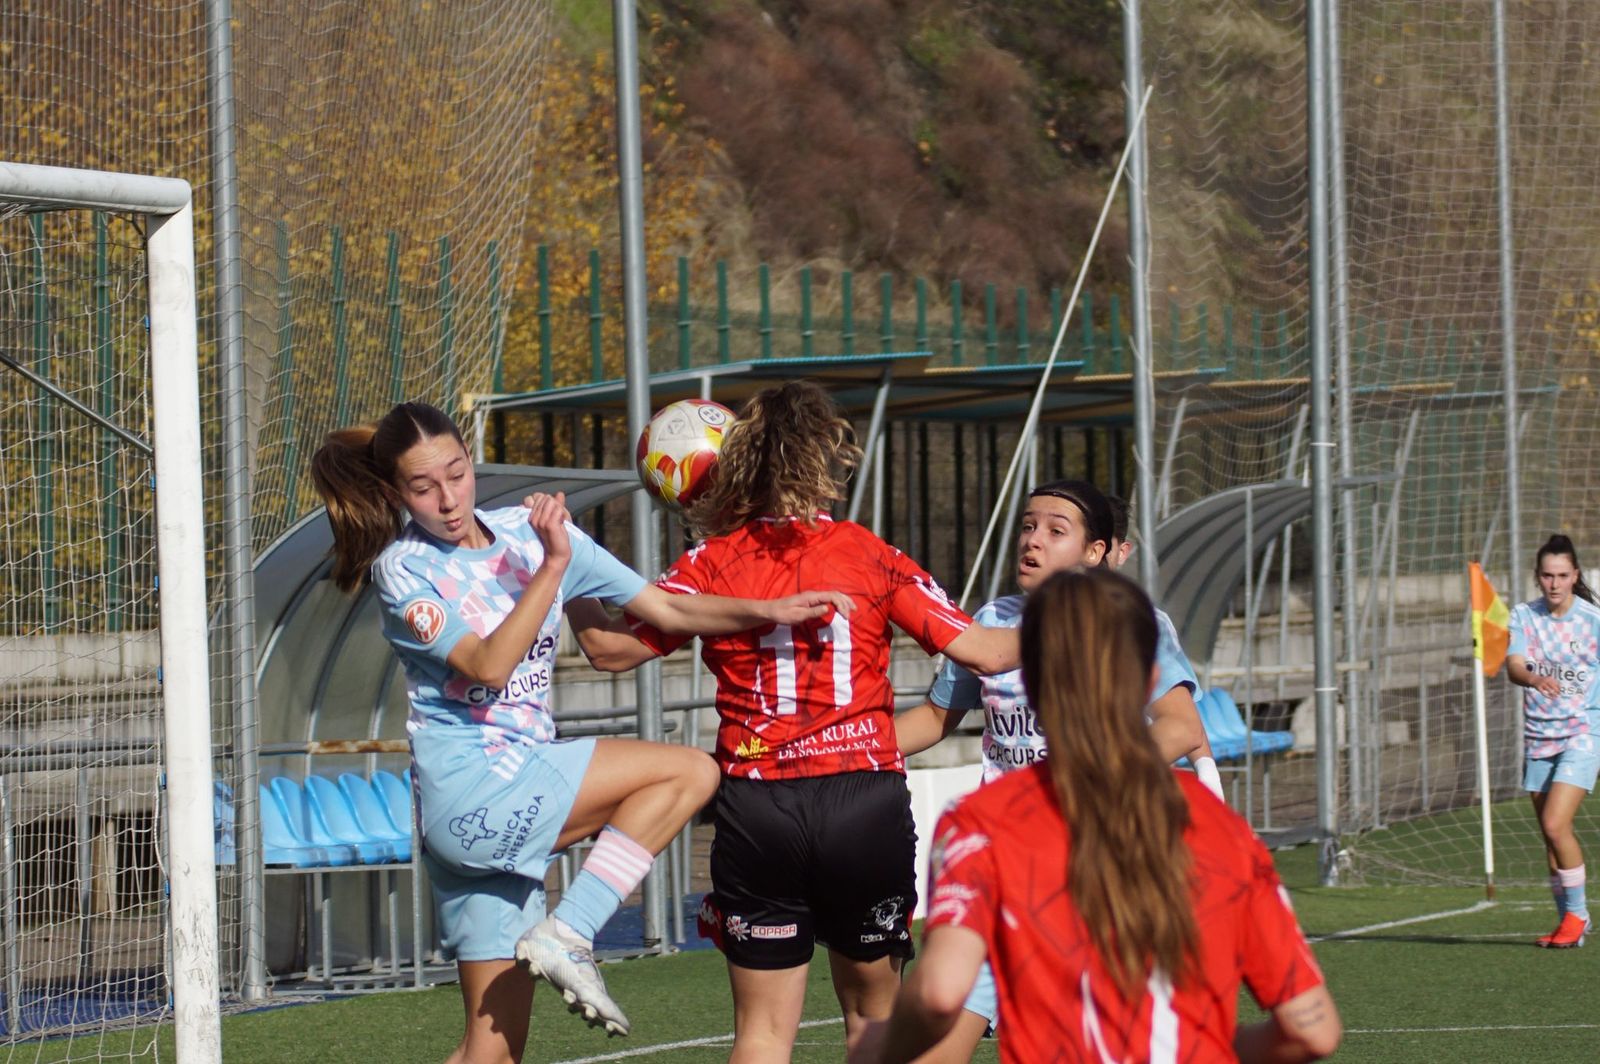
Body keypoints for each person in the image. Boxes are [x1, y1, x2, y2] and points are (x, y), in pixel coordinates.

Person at [310, 401, 851, 1064]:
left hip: (506, 797)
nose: (448, 500)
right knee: (690, 771)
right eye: (423, 489)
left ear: (471, 463)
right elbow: (488, 664)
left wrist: (768, 609)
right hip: (473, 792)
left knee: (493, 1049)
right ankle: (573, 930)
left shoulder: (528, 531)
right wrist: (553, 567)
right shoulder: (405, 570)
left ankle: (564, 933)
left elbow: (666, 608)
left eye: (456, 474)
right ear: (397, 493)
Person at [563, 380, 1019, 1064]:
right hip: (861, 799)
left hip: (760, 805)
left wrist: (567, 565)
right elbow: (985, 652)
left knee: (763, 1034)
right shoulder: (870, 552)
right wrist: (1092, 621)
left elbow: (608, 650)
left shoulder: (707, 565)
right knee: (872, 1019)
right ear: (824, 459)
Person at [850, 568, 1341, 1064]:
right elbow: (1313, 1029)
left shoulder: (980, 824)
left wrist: (880, 1047)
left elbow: (937, 994)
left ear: (1030, 682)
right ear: (1151, 678)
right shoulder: (1218, 826)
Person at [891, 479, 1214, 1060]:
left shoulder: (1131, 623)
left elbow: (1181, 729)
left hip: (1096, 865)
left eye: (1055, 531)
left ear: (1096, 553)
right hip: (1001, 865)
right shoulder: (991, 622)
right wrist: (842, 749)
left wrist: (1085, 783)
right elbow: (937, 717)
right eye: (1028, 526)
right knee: (934, 1035)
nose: (1033, 541)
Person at [1506, 533, 1600, 949]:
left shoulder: (1593, 621)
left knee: (1555, 823)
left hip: (1582, 733)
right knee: (1551, 836)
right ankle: (1569, 923)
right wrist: (1533, 676)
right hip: (1539, 736)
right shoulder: (1523, 616)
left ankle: (1577, 917)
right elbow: (1513, 665)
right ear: (1538, 577)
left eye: (1563, 575)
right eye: (1547, 575)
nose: (1555, 583)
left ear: (1575, 575)